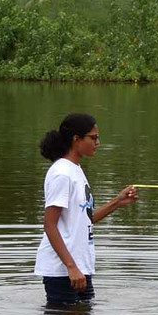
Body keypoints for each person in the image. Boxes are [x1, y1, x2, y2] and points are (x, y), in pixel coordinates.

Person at [34, 113, 138, 305]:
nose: (98, 142)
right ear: (76, 139)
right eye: (93, 137)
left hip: (79, 266)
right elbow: (49, 225)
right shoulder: (62, 173)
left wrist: (116, 202)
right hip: (63, 270)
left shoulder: (76, 170)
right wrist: (70, 267)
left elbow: (84, 219)